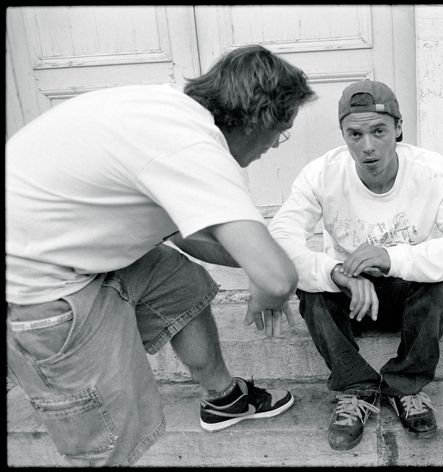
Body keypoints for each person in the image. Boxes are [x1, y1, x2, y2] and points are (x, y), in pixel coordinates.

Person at [6, 45, 316, 466]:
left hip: (63, 251)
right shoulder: (192, 146)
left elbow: (187, 237)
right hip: (40, 291)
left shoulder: (164, 112)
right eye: (281, 131)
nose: (275, 145)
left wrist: (266, 264)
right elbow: (277, 279)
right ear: (257, 120)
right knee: (108, 445)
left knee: (178, 282)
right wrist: (267, 287)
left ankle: (223, 398)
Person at [266, 80, 443, 451]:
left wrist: (392, 258)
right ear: (343, 135)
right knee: (311, 288)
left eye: (379, 131)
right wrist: (335, 273)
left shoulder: (432, 170)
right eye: (355, 134)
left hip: (404, 293)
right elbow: (280, 240)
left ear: (398, 128)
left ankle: (405, 386)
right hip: (350, 298)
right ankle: (355, 388)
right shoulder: (322, 173)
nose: (367, 146)